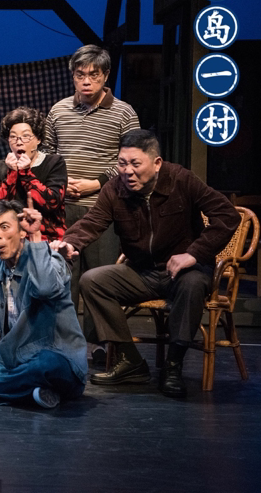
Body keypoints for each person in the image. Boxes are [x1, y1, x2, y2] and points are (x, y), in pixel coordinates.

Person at [52, 130, 240, 398]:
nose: (127, 171)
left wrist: (194, 253)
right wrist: (71, 243)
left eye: (135, 164)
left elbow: (227, 215)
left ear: (157, 163)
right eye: (122, 163)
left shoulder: (181, 179)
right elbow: (92, 222)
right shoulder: (115, 189)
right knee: (92, 281)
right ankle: (131, 361)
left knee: (193, 284)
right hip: (142, 272)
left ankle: (173, 366)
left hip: (185, 272)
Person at [44, 44, 139, 363]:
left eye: (94, 75)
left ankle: (100, 345)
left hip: (104, 207)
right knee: (64, 277)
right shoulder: (58, 110)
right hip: (62, 206)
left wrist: (96, 182)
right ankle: (64, 343)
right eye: (80, 74)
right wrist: (60, 182)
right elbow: (46, 154)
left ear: (106, 75)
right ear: (72, 75)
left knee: (98, 278)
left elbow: (132, 159)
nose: (86, 81)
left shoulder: (124, 112)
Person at [0, 199, 87, 408]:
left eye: (4, 227)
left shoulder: (51, 259)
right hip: (16, 358)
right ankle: (29, 388)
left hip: (58, 360)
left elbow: (44, 288)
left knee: (46, 365)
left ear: (22, 231)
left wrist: (36, 236)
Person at [0, 107, 67, 242]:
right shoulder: (1, 167)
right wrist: (12, 173)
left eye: (26, 136)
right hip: (11, 239)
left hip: (47, 239)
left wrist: (26, 173)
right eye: (13, 137)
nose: (19, 142)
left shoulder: (54, 163)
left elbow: (52, 202)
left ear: (38, 139)